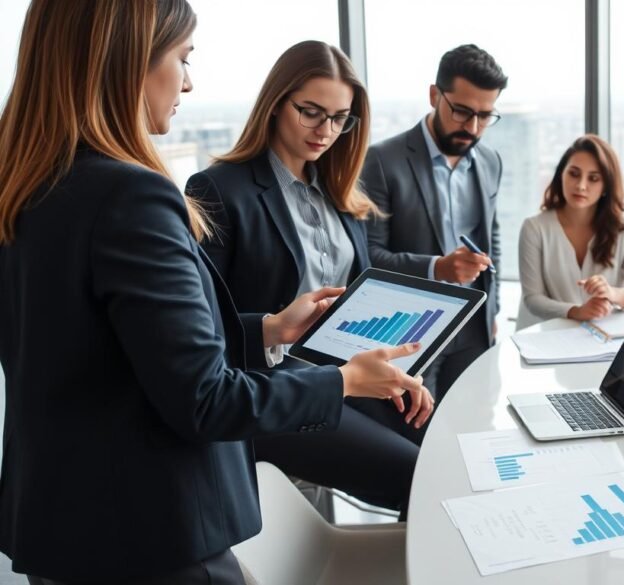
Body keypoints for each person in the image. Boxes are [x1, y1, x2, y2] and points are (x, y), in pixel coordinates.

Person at [0, 2, 427, 583]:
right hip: (152, 533)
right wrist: (343, 380)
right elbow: (204, 400)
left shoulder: (26, 186)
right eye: (184, 57)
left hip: (65, 523)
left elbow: (101, 351)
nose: (190, 80)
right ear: (125, 61)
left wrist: (267, 329)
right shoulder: (132, 197)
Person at [186, 42, 428, 511]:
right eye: (311, 113)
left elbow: (362, 294)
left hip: (343, 369)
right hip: (272, 386)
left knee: (445, 447)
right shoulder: (219, 188)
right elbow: (201, 319)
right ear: (277, 104)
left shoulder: (340, 193)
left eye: (340, 118)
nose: (327, 131)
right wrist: (274, 324)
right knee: (414, 474)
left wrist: (396, 370)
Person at [361, 44, 507, 402]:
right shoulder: (382, 161)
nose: (472, 127)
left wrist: (493, 308)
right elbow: (368, 257)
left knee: (472, 427)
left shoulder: (490, 161)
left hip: (474, 328)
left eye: (485, 116)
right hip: (413, 332)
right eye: (461, 111)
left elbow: (493, 238)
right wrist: (438, 268)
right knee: (419, 445)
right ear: (433, 95)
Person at [517, 135, 624, 330]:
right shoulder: (534, 228)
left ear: (605, 185)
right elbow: (533, 298)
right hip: (544, 336)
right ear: (561, 175)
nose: (581, 185)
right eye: (573, 174)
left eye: (593, 178)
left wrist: (611, 293)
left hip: (601, 335)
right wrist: (576, 311)